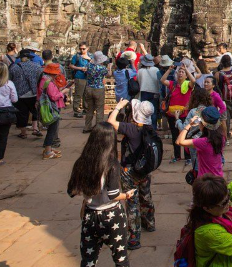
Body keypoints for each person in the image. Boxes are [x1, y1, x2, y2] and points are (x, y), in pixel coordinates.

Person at [67, 122, 135, 267]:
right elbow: (113, 194)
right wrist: (127, 195)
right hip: (111, 214)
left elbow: (71, 191)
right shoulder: (112, 163)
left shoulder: (82, 162)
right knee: (121, 259)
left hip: (90, 214)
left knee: (88, 260)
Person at [107, 98, 157, 250]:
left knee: (132, 203)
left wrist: (118, 107)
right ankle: (149, 223)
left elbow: (110, 123)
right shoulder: (149, 128)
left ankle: (134, 238)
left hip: (129, 170)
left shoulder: (131, 128)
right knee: (146, 196)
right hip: (144, 169)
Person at [161, 63, 196, 163]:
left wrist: (187, 70)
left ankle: (188, 157)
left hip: (184, 114)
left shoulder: (188, 84)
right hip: (172, 114)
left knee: (186, 135)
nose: (180, 73)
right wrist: (169, 70)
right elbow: (162, 80)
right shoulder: (173, 84)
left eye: (182, 72)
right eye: (179, 72)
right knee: (175, 135)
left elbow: (193, 80)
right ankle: (177, 155)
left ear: (186, 75)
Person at [177, 106, 225, 178]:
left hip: (205, 180)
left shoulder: (202, 142)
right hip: (218, 178)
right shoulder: (221, 138)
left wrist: (189, 125)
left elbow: (179, 141)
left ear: (203, 125)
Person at [38, 63, 70, 159]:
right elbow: (54, 96)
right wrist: (63, 92)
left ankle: (49, 148)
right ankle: (47, 151)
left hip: (47, 107)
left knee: (51, 129)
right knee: (52, 130)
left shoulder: (43, 79)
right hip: (52, 108)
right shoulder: (48, 82)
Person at [10, 49, 43, 139]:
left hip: (20, 94)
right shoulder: (37, 67)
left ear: (21, 58)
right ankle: (35, 128)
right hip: (33, 93)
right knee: (34, 111)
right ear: (29, 58)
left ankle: (23, 132)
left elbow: (10, 79)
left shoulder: (14, 67)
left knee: (22, 113)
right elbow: (40, 79)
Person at [84, 51, 113, 133]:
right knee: (99, 110)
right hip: (99, 89)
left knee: (90, 109)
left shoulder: (89, 65)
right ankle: (98, 128)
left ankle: (87, 127)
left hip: (89, 88)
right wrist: (110, 67)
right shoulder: (102, 68)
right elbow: (109, 74)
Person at [0, 63, 18, 165]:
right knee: (3, 136)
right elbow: (14, 99)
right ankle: (0, 158)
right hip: (6, 111)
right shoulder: (9, 84)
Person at [69, 42, 92, 118]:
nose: (82, 50)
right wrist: (80, 68)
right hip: (79, 76)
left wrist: (89, 59)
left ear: (87, 48)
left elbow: (96, 64)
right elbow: (71, 65)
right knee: (78, 94)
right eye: (80, 49)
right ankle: (76, 110)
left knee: (87, 94)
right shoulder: (77, 56)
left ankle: (86, 109)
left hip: (88, 77)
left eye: (84, 49)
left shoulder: (90, 56)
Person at [137, 54, 161, 126]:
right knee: (153, 111)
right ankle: (153, 128)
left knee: (143, 110)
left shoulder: (140, 71)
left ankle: (144, 127)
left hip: (144, 91)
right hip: (155, 92)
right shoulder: (156, 70)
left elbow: (138, 81)